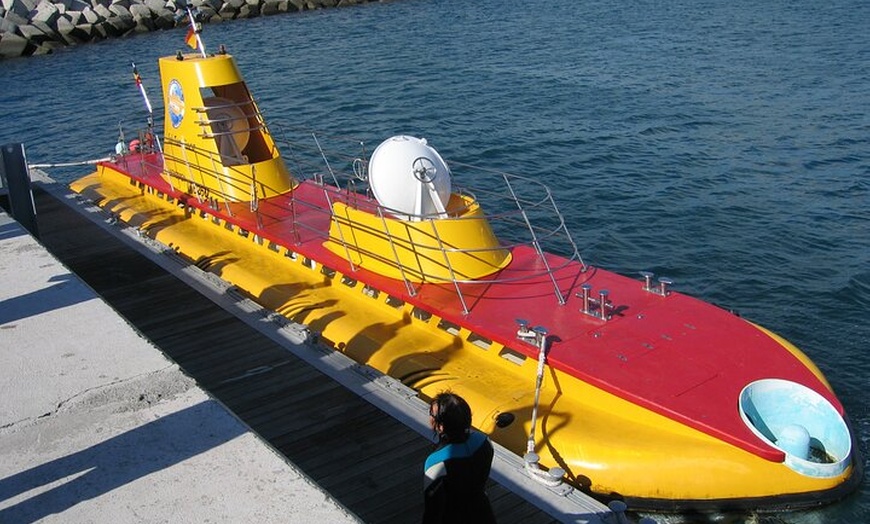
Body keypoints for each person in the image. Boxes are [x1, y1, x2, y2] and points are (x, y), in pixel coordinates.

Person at [423, 392, 496, 523]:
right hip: (483, 512)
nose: (430, 418)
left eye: (431, 415)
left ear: (441, 426)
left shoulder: (435, 462)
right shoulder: (484, 441)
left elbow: (432, 509)